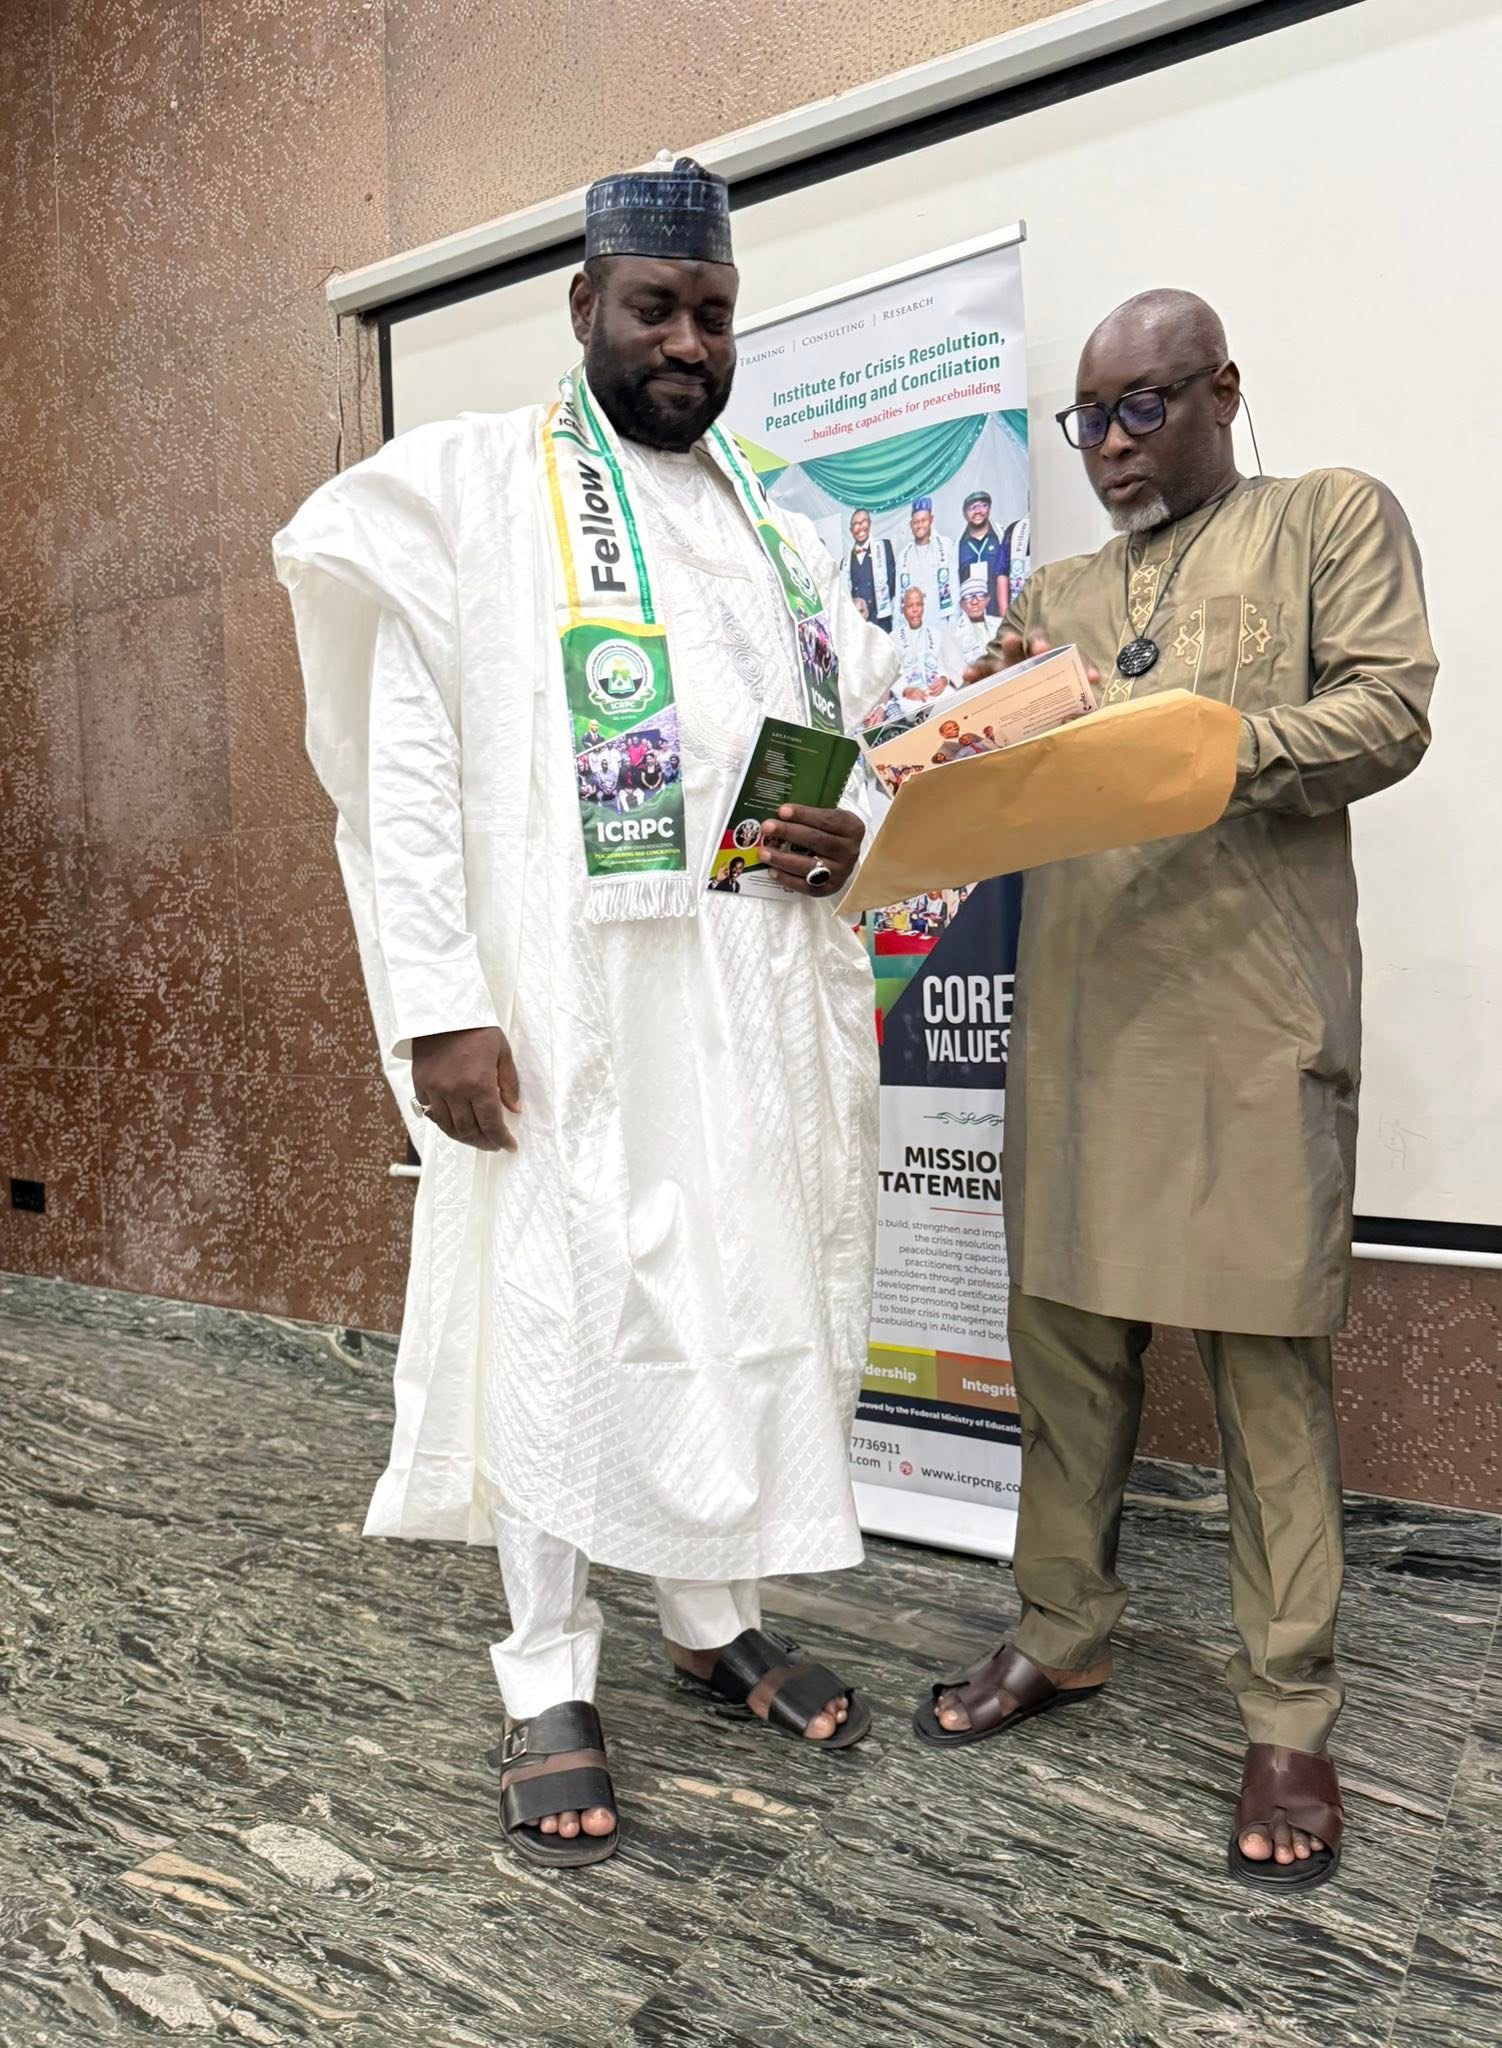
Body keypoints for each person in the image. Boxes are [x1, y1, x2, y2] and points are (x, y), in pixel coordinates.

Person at [275, 152, 899, 1872]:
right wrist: (438, 1005)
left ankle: (711, 1616)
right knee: (560, 1317)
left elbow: (849, 754)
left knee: (746, 1301)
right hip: (565, 1008)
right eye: (655, 307)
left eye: (714, 312)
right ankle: (548, 1670)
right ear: (583, 307)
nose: (688, 342)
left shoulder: (783, 532)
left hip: (754, 1006)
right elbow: (406, 780)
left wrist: (859, 826)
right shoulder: (474, 491)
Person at [914, 288, 1437, 1893]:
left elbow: (1388, 712)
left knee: (1268, 1376)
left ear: (1221, 389)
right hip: (1081, 1024)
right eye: (1089, 420)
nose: (1112, 448)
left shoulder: (1325, 517)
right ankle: (1061, 1630)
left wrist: (1186, 753)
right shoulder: (1058, 593)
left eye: (1144, 408)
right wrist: (963, 740)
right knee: (1065, 1352)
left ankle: (1289, 1712)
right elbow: (997, 780)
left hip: (1249, 1020)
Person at [895, 586, 965, 707]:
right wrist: (906, 690)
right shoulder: (893, 638)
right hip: (910, 698)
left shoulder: (936, 633)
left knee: (957, 703)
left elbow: (947, 665)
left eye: (919, 604)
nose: (915, 610)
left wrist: (944, 679)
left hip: (938, 693)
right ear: (903, 609)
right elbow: (891, 675)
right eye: (910, 606)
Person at [898, 495, 957, 621]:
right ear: (911, 525)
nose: (920, 525)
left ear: (931, 519)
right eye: (916, 522)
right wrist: (898, 624)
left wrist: (954, 622)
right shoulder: (903, 555)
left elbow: (954, 587)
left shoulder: (945, 545)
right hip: (914, 622)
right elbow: (899, 595)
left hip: (940, 619)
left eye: (924, 520)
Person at [843, 507, 897, 632]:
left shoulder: (884, 547)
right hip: (859, 625)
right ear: (851, 530)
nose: (860, 527)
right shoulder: (845, 562)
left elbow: (892, 584)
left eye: (863, 522)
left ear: (870, 524)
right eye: (856, 524)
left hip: (881, 622)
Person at [956, 490, 1007, 617]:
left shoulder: (1003, 537)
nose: (978, 511)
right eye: (972, 508)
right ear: (965, 514)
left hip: (998, 615)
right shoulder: (957, 546)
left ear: (989, 508)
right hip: (969, 619)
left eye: (983, 505)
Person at [954, 570, 994, 664]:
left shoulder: (999, 624)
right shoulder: (956, 634)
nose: (975, 602)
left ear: (987, 599)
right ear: (961, 604)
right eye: (968, 597)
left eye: (980, 595)